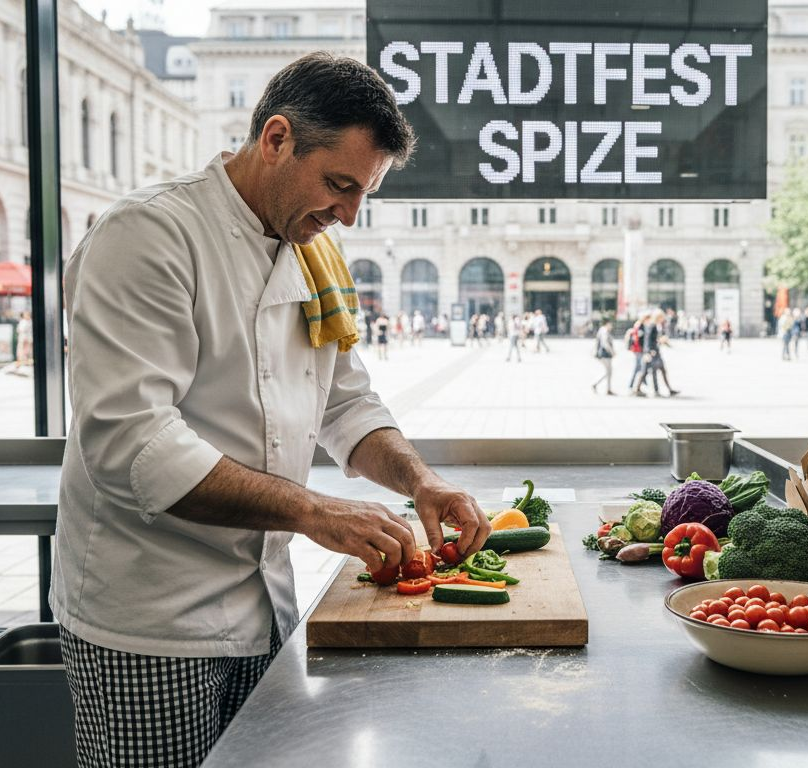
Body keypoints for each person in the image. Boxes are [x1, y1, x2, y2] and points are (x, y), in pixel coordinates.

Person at [50, 52, 492, 767]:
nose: (348, 214)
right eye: (340, 185)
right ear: (276, 139)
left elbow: (347, 403)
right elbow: (133, 444)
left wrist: (421, 482)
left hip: (266, 606)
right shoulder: (148, 236)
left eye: (363, 194)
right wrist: (315, 512)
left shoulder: (310, 248)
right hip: (152, 617)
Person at [625, 312, 648, 394]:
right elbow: (640, 339)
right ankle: (634, 386)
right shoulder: (641, 326)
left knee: (638, 368)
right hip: (639, 350)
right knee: (639, 368)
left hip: (636, 349)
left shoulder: (637, 324)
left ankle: (634, 385)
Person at [591, 319, 615, 395]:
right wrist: (612, 352)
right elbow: (605, 343)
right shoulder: (604, 331)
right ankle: (596, 384)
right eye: (611, 324)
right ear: (607, 324)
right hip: (605, 354)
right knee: (608, 372)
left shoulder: (602, 330)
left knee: (609, 372)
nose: (612, 326)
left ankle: (608, 388)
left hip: (604, 354)